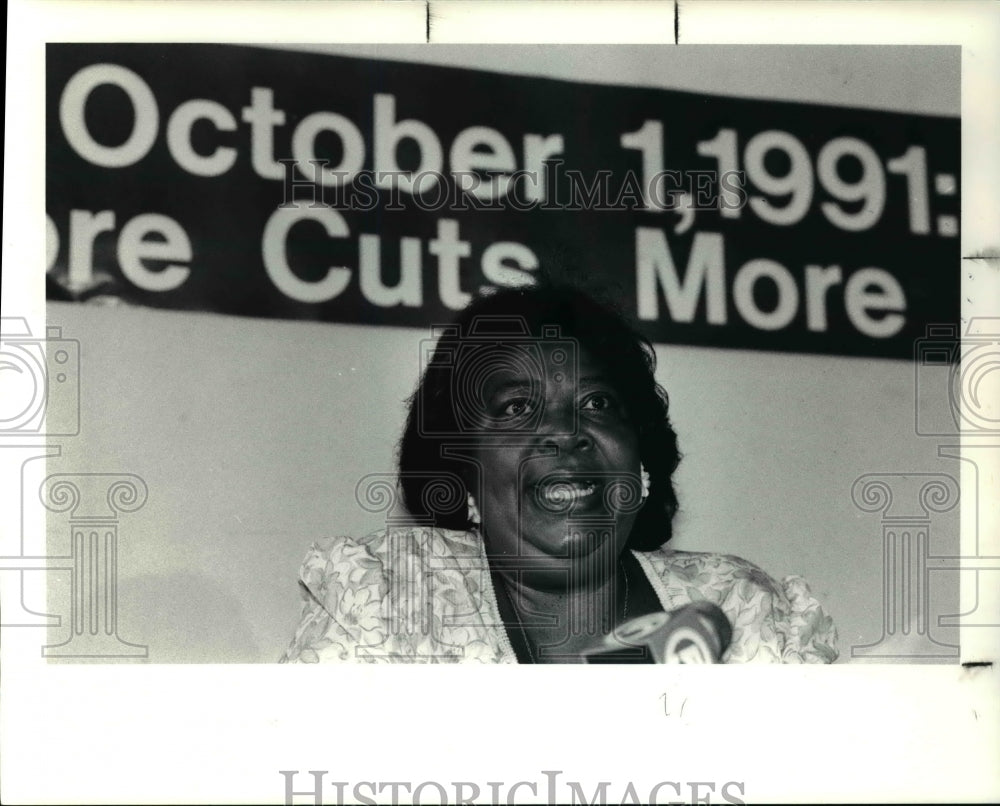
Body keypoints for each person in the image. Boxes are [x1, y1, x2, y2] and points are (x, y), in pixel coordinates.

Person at [280, 283, 838, 664]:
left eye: (598, 404)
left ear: (640, 457)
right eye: (517, 407)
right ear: (463, 470)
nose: (566, 432)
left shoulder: (745, 611)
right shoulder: (384, 598)